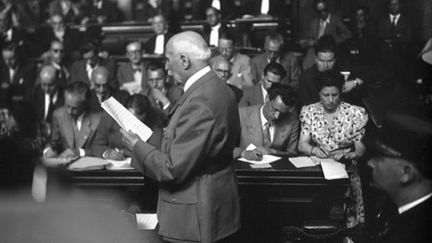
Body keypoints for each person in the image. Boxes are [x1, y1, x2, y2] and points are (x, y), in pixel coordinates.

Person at [121, 31, 241, 243]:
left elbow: (172, 168)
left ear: (184, 60)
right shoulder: (216, 87)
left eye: (168, 60)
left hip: (194, 211)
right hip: (215, 199)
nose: (166, 67)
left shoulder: (201, 99)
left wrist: (136, 145)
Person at [298, 71, 368, 232]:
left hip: (346, 174)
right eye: (325, 95)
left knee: (346, 226)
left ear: (341, 92)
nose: (330, 100)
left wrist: (346, 154)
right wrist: (314, 149)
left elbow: (361, 151)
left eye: (334, 94)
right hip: (319, 173)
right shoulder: (308, 111)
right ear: (318, 93)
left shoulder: (356, 113)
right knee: (317, 217)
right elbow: (302, 145)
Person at [365, 111, 432, 243]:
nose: (370, 163)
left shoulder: (416, 234)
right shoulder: (394, 208)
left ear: (405, 173)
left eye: (378, 158)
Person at [235, 83, 299, 160]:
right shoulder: (241, 115)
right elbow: (225, 148)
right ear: (267, 98)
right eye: (275, 109)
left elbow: (292, 155)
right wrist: (243, 153)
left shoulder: (292, 121)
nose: (277, 116)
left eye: (282, 113)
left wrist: (272, 151)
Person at [299, 36, 365, 107]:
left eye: (329, 61)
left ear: (335, 60)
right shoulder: (306, 78)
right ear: (315, 59)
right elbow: (304, 107)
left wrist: (355, 82)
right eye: (321, 61)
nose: (325, 65)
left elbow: (373, 73)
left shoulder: (343, 69)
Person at [92, 94, 163, 160]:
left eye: (136, 121)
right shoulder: (108, 117)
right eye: (129, 118)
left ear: (145, 115)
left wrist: (124, 152)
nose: (132, 123)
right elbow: (96, 145)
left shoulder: (155, 120)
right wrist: (107, 153)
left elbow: (156, 151)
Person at [43, 81, 100, 159]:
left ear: (85, 104)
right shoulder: (58, 114)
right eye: (67, 106)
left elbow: (102, 149)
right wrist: (48, 149)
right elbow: (54, 141)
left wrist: (79, 152)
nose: (69, 111)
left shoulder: (98, 119)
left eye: (75, 108)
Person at [24, 65, 64, 147]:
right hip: (37, 140)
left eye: (50, 85)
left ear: (58, 81)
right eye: (43, 85)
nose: (46, 89)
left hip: (60, 140)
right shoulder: (32, 94)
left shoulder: (66, 95)